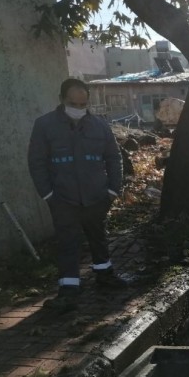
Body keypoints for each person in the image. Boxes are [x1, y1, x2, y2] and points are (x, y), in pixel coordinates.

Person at [28, 78, 127, 312]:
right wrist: (48, 195)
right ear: (62, 100)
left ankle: (105, 275)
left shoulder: (99, 125)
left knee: (98, 237)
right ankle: (69, 289)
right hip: (63, 198)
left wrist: (112, 190)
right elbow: (37, 162)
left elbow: (114, 158)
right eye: (74, 103)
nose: (79, 109)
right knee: (67, 243)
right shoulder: (44, 125)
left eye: (83, 104)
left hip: (97, 196)